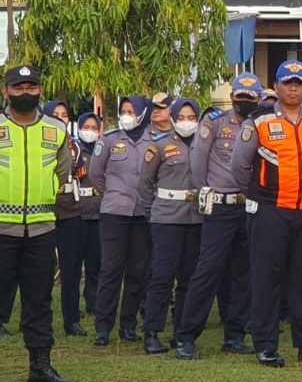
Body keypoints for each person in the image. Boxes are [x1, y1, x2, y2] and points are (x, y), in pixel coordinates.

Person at [231, 60, 302, 367]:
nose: (293, 88)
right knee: (267, 277)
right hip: (271, 211)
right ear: (276, 86)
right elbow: (239, 168)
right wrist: (262, 195)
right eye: (287, 82)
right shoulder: (259, 121)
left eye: (299, 83)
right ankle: (265, 344)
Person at [0, 64, 76, 382]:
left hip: (40, 229)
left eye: (31, 87)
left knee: (39, 302)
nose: (25, 93)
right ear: (6, 91)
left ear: (40, 89)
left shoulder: (55, 129)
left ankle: (40, 368)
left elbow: (63, 174)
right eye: (18, 88)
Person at [173, 74, 261, 360]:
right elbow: (199, 164)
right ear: (232, 97)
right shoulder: (214, 123)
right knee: (208, 271)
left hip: (248, 206)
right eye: (241, 97)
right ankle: (186, 336)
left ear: (258, 99)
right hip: (221, 206)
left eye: (251, 98)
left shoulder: (260, 125)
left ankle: (234, 335)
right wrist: (206, 192)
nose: (245, 102)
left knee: (243, 273)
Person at [89, 94, 158, 345]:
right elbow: (96, 174)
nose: (126, 115)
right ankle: (103, 327)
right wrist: (113, 193)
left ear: (142, 113)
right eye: (124, 110)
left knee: (138, 271)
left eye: (131, 111)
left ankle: (128, 325)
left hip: (142, 213)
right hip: (114, 212)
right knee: (110, 270)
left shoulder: (154, 140)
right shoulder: (109, 140)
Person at [138, 97, 203, 354]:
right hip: (166, 218)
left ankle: (181, 331)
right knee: (162, 277)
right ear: (173, 119)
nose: (187, 122)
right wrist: (151, 213)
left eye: (191, 117)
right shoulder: (160, 146)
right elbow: (145, 184)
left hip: (196, 217)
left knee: (189, 278)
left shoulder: (203, 144)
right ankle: (152, 332)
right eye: (182, 117)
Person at [54, 112, 104, 336]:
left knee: (96, 265)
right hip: (71, 212)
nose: (90, 130)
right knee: (71, 270)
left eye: (95, 126)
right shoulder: (70, 146)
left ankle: (94, 304)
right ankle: (71, 317)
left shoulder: (105, 147)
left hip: (98, 213)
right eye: (87, 126)